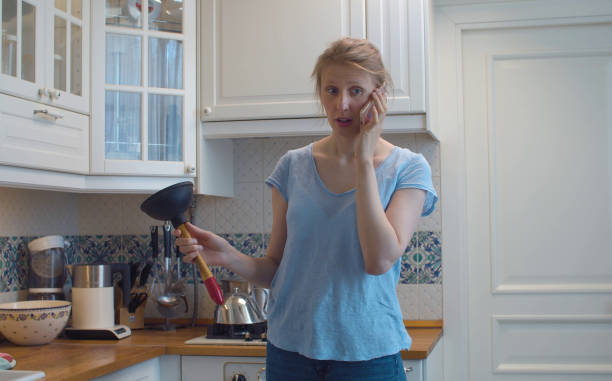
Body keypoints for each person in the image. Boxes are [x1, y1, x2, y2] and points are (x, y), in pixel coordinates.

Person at [175, 37, 438, 381]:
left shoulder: (408, 168)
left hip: (367, 354)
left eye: (355, 91)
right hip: (289, 352)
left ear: (379, 94)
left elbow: (379, 260)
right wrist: (228, 256)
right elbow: (275, 269)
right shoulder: (292, 166)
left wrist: (363, 158)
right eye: (331, 90)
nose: (342, 104)